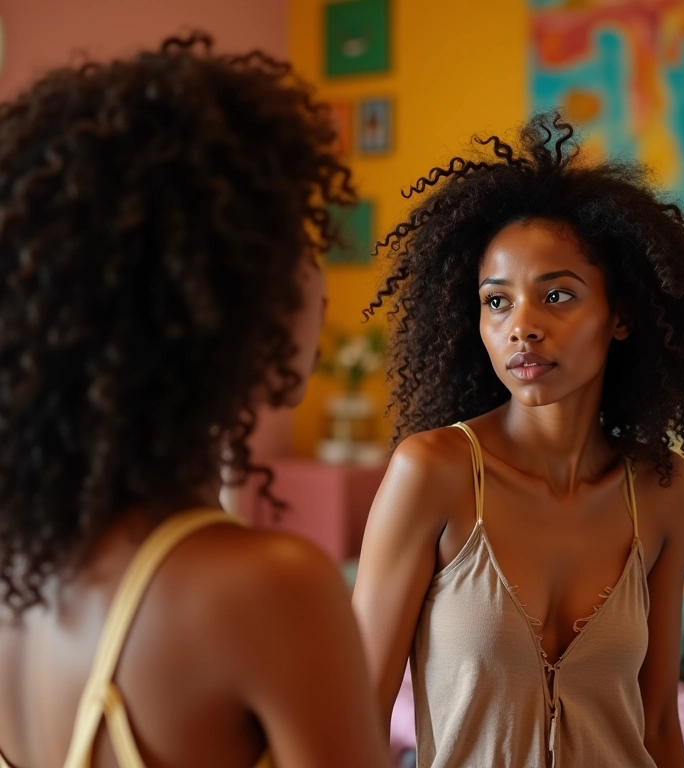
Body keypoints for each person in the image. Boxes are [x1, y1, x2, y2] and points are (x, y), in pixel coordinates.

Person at [0, 33, 391, 768]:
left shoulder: (20, 567)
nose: (322, 283)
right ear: (226, 298)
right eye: (301, 246)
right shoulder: (269, 588)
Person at [352, 113, 684, 768]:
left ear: (620, 316)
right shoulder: (433, 472)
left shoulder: (663, 488)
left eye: (557, 295)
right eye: (496, 302)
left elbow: (660, 727)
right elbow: (352, 718)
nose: (521, 328)